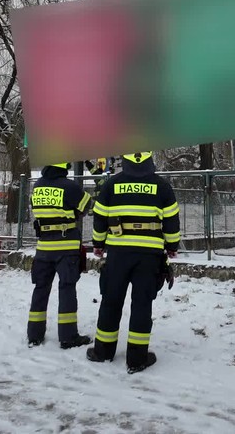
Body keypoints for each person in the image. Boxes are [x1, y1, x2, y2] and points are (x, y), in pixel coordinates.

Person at [87, 151, 180, 373]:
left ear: (125, 160)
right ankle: (137, 359)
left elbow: (99, 217)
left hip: (118, 252)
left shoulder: (112, 184)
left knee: (111, 300)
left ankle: (103, 352)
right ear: (149, 159)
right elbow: (171, 220)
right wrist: (172, 246)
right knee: (142, 304)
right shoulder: (162, 186)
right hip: (149, 255)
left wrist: (98, 244)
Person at [27, 162, 93, 349]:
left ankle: (34, 335)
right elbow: (86, 205)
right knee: (67, 289)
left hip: (44, 246)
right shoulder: (69, 186)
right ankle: (68, 336)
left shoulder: (37, 185)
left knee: (40, 289)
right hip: (66, 246)